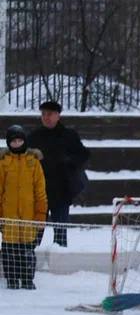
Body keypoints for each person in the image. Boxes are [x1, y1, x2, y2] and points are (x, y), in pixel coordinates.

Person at [27, 100, 89, 248]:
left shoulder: (69, 135)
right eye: (43, 114)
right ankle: (32, 257)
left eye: (49, 114)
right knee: (35, 232)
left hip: (62, 190)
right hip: (39, 190)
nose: (46, 117)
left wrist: (68, 160)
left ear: (58, 116)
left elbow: (83, 154)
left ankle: (60, 257)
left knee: (60, 232)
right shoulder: (34, 136)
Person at [0, 126, 48, 289]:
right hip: (8, 216)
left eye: (20, 140)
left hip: (29, 216)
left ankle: (27, 279)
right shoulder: (3, 163)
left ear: (25, 141)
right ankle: (12, 279)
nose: (17, 143)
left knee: (27, 250)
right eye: (13, 141)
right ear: (9, 143)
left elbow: (40, 192)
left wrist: (40, 215)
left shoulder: (33, 162)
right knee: (9, 250)